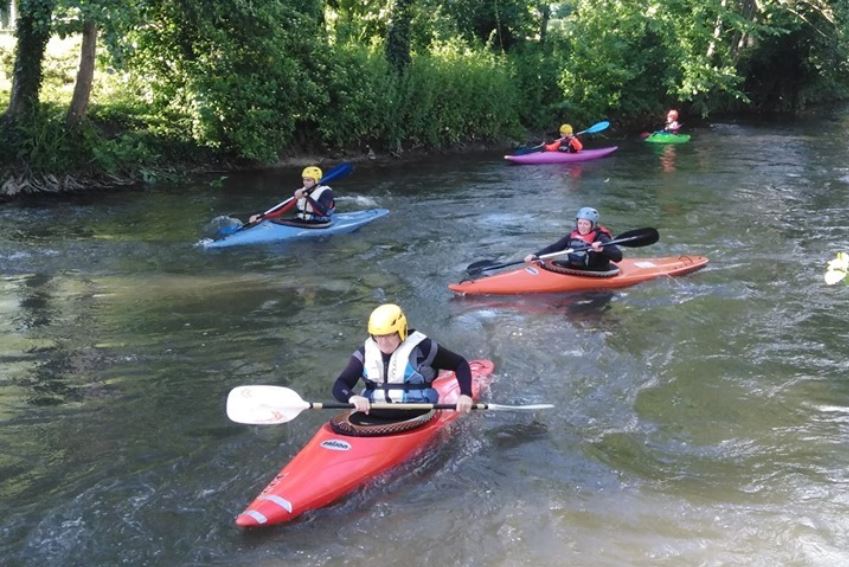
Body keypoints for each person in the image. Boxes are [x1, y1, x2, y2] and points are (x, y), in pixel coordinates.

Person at [332, 304, 474, 419]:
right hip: (375, 412)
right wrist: (353, 398)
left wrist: (465, 394)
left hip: (417, 413)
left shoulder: (423, 349)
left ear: (401, 330)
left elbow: (460, 364)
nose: (383, 342)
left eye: (389, 335)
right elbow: (340, 385)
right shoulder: (365, 353)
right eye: (378, 336)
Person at [523, 207, 622, 271]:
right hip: (576, 268)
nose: (582, 227)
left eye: (586, 224)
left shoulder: (601, 237)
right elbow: (555, 248)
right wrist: (535, 255)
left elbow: (618, 257)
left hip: (596, 271)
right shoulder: (573, 235)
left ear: (593, 225)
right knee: (545, 264)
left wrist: (602, 249)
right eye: (580, 223)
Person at [248, 165, 335, 225]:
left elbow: (322, 212)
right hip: (301, 221)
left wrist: (306, 196)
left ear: (316, 181)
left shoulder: (326, 192)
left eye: (309, 180)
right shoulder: (301, 191)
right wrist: (261, 216)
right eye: (304, 180)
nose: (305, 182)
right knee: (276, 221)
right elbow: (281, 211)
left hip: (319, 223)